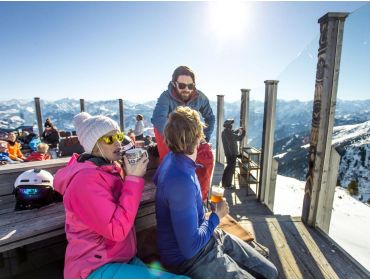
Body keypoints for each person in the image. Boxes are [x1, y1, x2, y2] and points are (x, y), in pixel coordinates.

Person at [53, 112, 185, 279]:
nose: (117, 142)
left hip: (119, 258)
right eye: (109, 139)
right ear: (93, 145)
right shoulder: (84, 181)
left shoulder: (110, 169)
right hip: (94, 268)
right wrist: (134, 179)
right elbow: (117, 230)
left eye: (118, 136)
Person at [154, 106, 278, 279]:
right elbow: (190, 248)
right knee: (268, 275)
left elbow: (161, 187)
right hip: (189, 259)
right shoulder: (181, 181)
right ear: (199, 136)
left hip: (208, 237)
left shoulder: (171, 160)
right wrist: (216, 216)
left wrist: (194, 209)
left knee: (270, 272)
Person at [151, 66, 215, 201]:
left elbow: (210, 117)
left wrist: (204, 137)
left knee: (207, 157)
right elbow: (158, 118)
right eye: (182, 85)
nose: (186, 89)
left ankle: (200, 198)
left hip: (192, 137)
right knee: (174, 162)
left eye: (190, 86)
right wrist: (175, 137)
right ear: (174, 84)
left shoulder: (200, 97)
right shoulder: (166, 97)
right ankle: (169, 183)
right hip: (170, 136)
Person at [221, 119, 246, 189]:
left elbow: (232, 134)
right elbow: (239, 138)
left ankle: (224, 183)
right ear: (229, 126)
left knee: (228, 168)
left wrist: (238, 130)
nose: (232, 126)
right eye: (231, 125)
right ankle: (227, 185)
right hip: (232, 153)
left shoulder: (225, 132)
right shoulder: (229, 133)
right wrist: (243, 132)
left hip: (228, 153)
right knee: (231, 169)